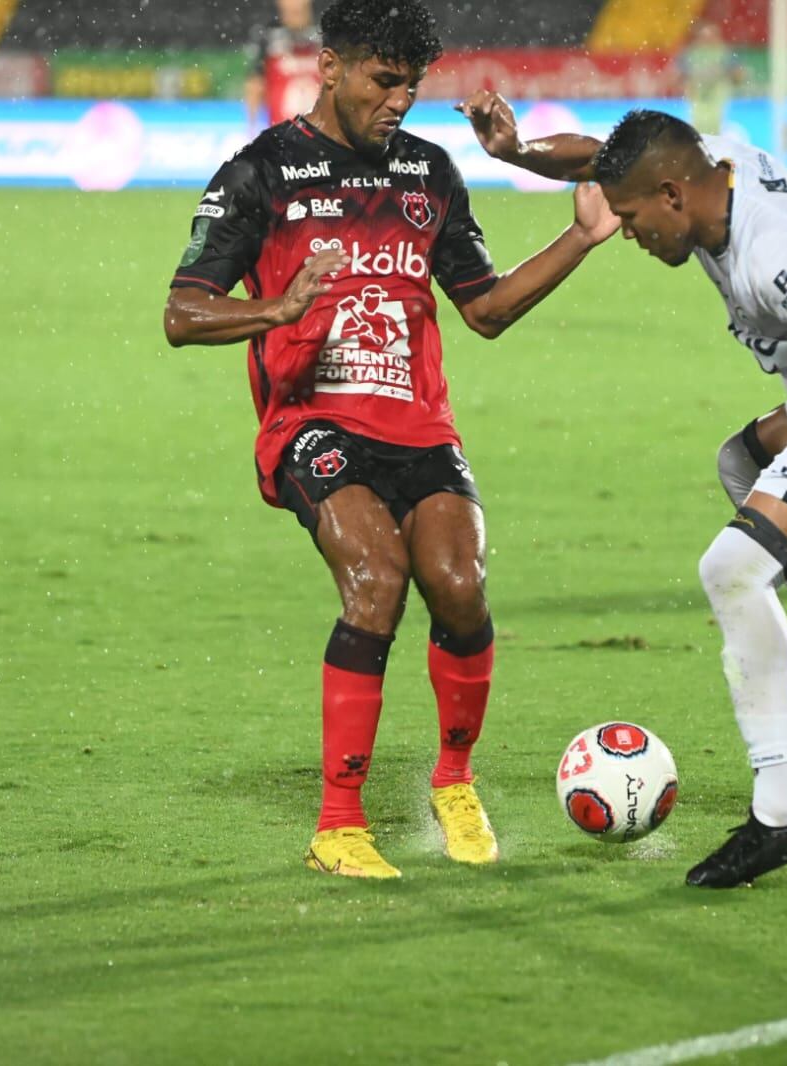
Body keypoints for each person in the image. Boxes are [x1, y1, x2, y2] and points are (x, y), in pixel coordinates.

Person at [459, 99, 787, 887]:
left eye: (635, 221)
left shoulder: (784, 257)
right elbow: (599, 161)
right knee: (740, 465)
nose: (630, 236)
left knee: (733, 569)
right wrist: (516, 152)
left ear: (674, 195)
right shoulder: (706, 163)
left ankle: (784, 815)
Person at [165, 0, 617, 879]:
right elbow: (183, 314)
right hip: (312, 422)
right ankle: (339, 824)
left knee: (459, 585)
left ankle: (454, 781)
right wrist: (277, 308)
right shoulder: (262, 172)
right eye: (383, 80)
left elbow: (483, 308)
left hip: (418, 423)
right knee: (376, 581)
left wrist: (581, 237)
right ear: (330, 67)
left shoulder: (430, 172)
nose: (399, 100)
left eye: (411, 84)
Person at [243, 0, 324, 132]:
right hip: (283, 136)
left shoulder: (326, 34)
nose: (294, 3)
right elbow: (255, 85)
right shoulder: (268, 36)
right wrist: (251, 128)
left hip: (322, 136)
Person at [678, 20, 744, 136]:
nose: (707, 40)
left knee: (716, 130)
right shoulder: (691, 54)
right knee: (697, 130)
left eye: (710, 36)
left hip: (717, 102)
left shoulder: (724, 53)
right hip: (697, 102)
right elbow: (676, 75)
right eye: (704, 37)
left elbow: (739, 75)